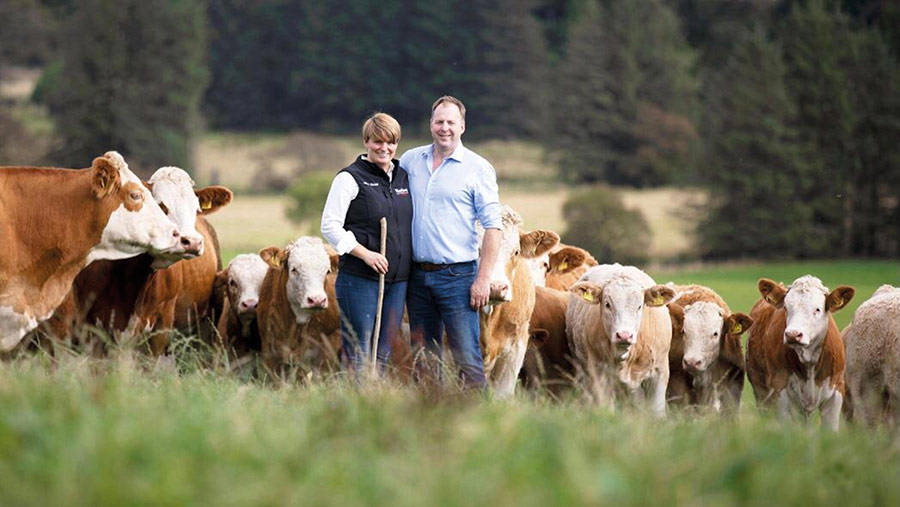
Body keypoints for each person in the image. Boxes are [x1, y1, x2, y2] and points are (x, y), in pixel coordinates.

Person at [399, 96, 502, 389]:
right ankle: (432, 424)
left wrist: (483, 279)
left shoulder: (478, 168)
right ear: (431, 124)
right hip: (417, 276)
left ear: (462, 126)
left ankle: (478, 424)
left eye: (451, 122)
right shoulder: (410, 161)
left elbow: (493, 227)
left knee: (466, 356)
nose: (444, 128)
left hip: (458, 277)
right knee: (423, 357)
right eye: (439, 121)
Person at [321, 112, 412, 373]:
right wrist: (366, 254)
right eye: (377, 142)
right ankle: (353, 403)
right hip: (360, 279)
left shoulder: (403, 177)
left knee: (383, 353)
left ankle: (374, 405)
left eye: (390, 142)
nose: (384, 148)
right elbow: (329, 226)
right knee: (359, 351)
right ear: (366, 141)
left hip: (398, 280)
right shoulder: (349, 178)